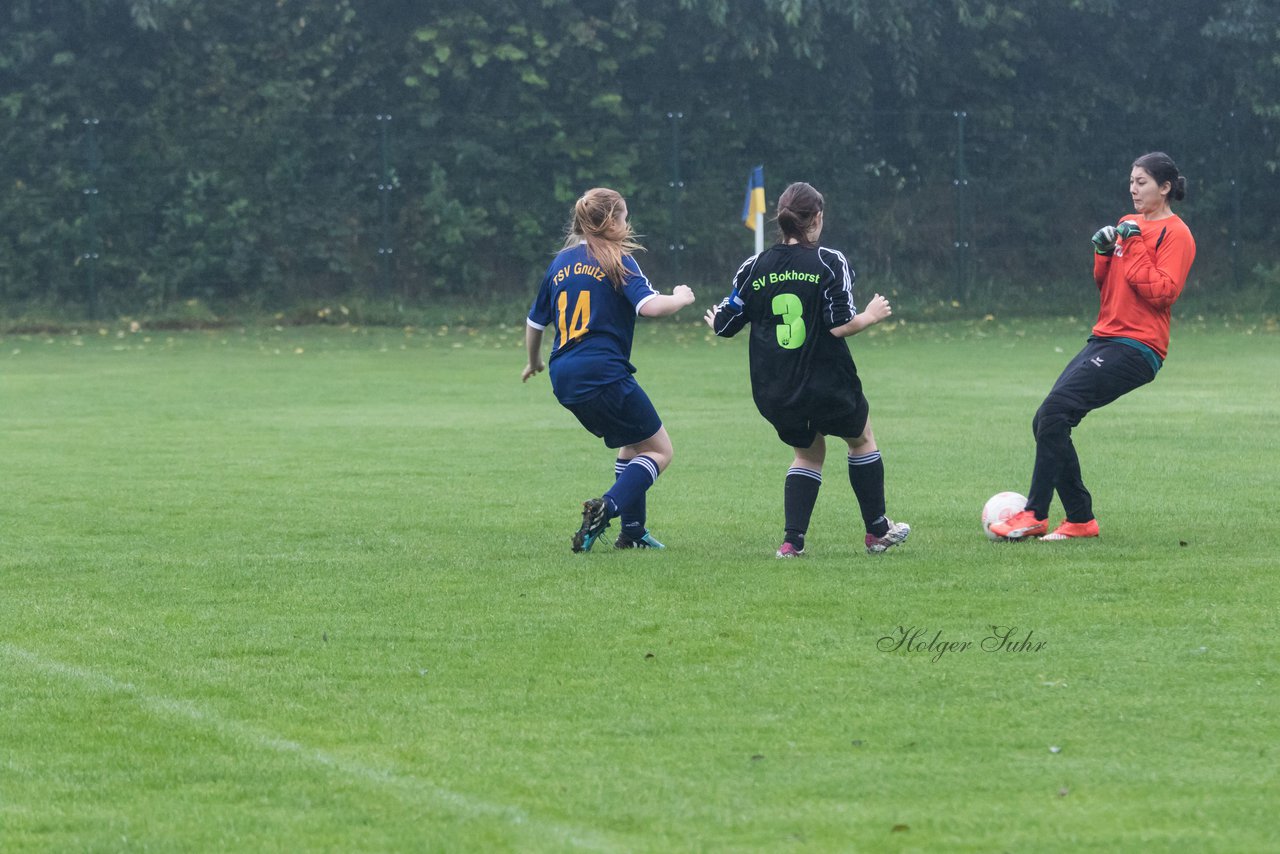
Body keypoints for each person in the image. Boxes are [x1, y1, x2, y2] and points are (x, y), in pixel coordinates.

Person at [991, 152, 1197, 541]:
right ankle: (1081, 520)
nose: (1133, 189)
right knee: (1046, 421)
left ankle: (1035, 513)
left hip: (1138, 347)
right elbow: (1109, 285)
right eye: (1132, 181)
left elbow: (1163, 294)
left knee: (1054, 413)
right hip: (1106, 335)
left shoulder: (1177, 234)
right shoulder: (1127, 223)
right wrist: (1103, 254)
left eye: (1142, 182)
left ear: (1165, 187)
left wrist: (1133, 247)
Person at [704, 181, 909, 557]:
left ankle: (792, 542)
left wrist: (713, 320)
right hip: (828, 383)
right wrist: (871, 315)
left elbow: (726, 324)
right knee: (861, 440)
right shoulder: (829, 261)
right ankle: (878, 530)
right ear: (817, 219)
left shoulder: (754, 266)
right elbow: (839, 325)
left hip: (777, 390)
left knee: (807, 454)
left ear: (782, 219)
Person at [523, 187, 696, 552]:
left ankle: (632, 534)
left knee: (632, 445)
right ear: (611, 222)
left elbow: (535, 322)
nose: (627, 224)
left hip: (564, 377)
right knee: (660, 451)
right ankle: (608, 506)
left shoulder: (560, 263)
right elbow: (648, 306)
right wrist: (680, 297)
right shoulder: (618, 259)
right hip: (603, 372)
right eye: (624, 216)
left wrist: (534, 361)